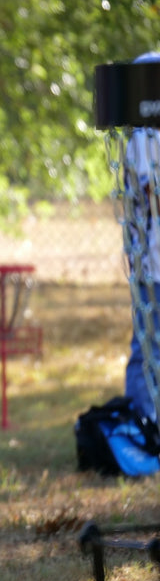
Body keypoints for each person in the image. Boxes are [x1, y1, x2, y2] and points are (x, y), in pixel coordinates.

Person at [122, 50, 160, 423]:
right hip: (154, 260)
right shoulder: (144, 137)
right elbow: (147, 195)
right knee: (148, 346)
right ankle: (144, 424)